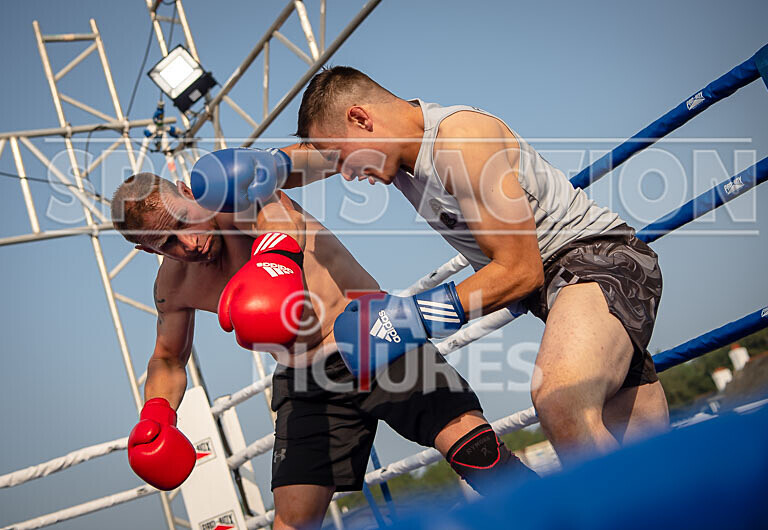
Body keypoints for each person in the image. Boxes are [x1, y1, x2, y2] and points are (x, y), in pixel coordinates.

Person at [195, 66, 671, 463]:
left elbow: (520, 271)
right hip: (563, 291)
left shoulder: (459, 143)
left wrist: (406, 318)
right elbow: (309, 159)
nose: (345, 174)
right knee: (652, 457)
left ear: (361, 118)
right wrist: (264, 166)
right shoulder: (394, 154)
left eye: (343, 158)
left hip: (598, 264)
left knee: (560, 401)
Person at [111, 171, 535, 529]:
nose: (187, 244)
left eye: (184, 224)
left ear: (188, 192)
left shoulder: (241, 197)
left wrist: (270, 264)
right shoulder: (173, 286)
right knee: (292, 523)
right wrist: (157, 414)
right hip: (304, 378)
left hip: (374, 334)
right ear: (145, 250)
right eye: (166, 243)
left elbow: (280, 225)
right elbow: (167, 357)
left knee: (478, 455)